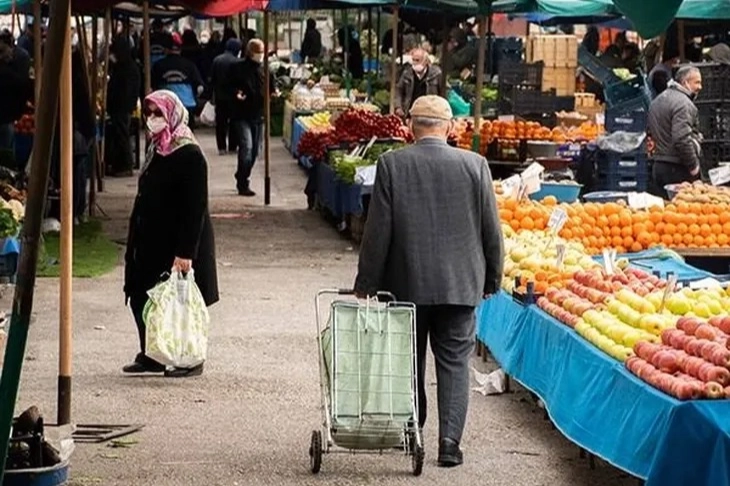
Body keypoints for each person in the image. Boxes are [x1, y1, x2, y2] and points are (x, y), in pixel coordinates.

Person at [353, 95, 504, 468]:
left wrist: (367, 281)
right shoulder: (476, 165)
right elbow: (492, 231)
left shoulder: (392, 164)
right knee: (454, 364)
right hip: (460, 285)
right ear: (451, 128)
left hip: (406, 283)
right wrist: (492, 277)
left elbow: (378, 231)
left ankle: (413, 432)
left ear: (410, 127)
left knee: (408, 360)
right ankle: (449, 443)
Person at [123, 90, 218, 378]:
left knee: (179, 302)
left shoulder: (189, 153)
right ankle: (153, 353)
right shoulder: (157, 147)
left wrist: (185, 252)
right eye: (149, 113)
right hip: (150, 238)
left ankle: (189, 358)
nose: (152, 120)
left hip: (177, 241)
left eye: (158, 114)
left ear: (172, 115)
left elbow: (195, 207)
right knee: (143, 296)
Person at [647, 66, 703, 199]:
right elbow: (681, 139)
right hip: (677, 168)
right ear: (685, 83)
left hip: (659, 165)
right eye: (697, 82)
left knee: (665, 214)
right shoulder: (684, 104)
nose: (700, 87)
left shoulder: (657, 101)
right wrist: (694, 166)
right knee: (682, 213)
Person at [229, 38, 275, 196]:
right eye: (257, 52)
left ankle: (242, 174)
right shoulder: (238, 68)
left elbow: (271, 89)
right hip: (241, 115)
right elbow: (229, 86)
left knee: (255, 151)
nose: (260, 55)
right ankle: (243, 182)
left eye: (262, 52)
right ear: (250, 52)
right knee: (247, 148)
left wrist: (273, 95)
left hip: (259, 116)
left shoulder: (266, 70)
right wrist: (237, 94)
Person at [152, 33, 205, 130]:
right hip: (187, 104)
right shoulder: (189, 65)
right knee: (187, 133)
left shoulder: (158, 65)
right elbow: (200, 87)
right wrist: (196, 96)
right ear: (180, 50)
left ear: (166, 50)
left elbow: (153, 86)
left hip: (166, 104)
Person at [106, 36, 141, 177]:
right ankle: (120, 164)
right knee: (120, 135)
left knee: (122, 135)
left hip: (122, 107)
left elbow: (124, 90)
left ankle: (125, 166)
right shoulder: (126, 66)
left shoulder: (127, 68)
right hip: (122, 107)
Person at [211, 38, 242, 155]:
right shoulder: (237, 62)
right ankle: (233, 146)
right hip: (234, 97)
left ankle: (221, 147)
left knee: (220, 123)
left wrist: (212, 95)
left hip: (220, 97)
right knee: (234, 122)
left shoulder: (217, 60)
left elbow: (212, 79)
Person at [0, 42, 32, 155]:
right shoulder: (10, 76)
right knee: (6, 154)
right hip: (6, 120)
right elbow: (24, 89)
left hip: (7, 119)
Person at [394, 48, 444, 118]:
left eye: (417, 60)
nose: (414, 63)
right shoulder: (407, 74)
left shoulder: (436, 74)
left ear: (425, 61)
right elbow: (398, 90)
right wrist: (398, 106)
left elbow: (444, 91)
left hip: (430, 114)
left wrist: (441, 110)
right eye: (413, 60)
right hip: (410, 113)